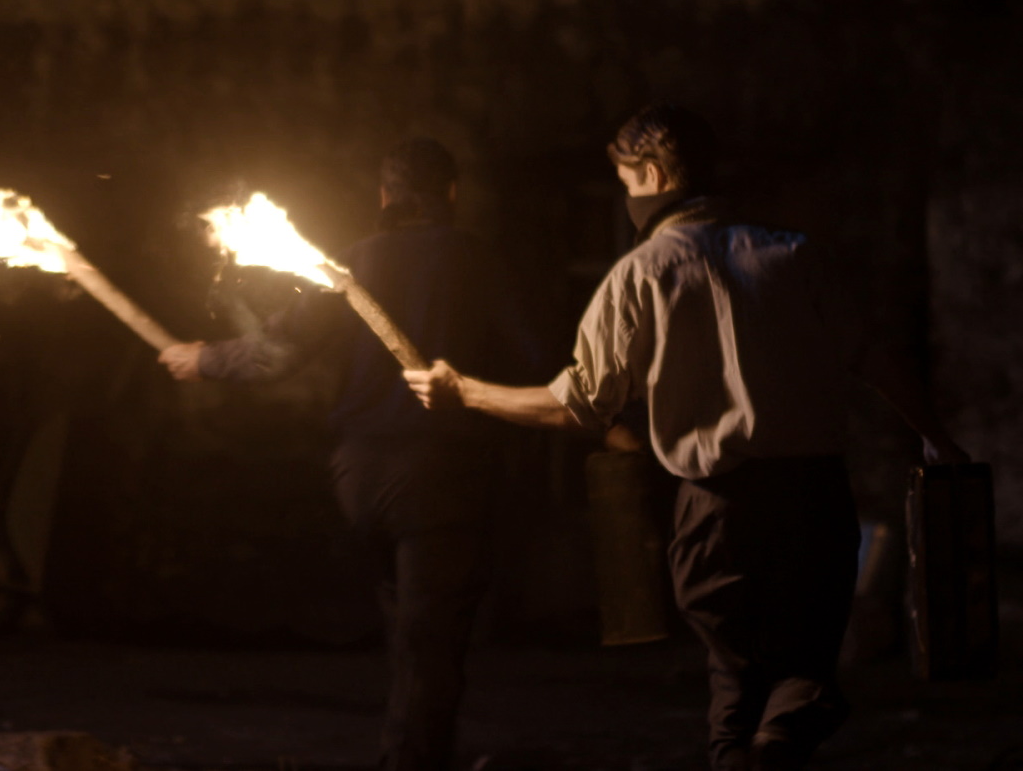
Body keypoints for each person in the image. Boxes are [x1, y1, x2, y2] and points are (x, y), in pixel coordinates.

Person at [404, 105, 968, 771]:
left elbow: (579, 407)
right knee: (798, 673)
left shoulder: (640, 273)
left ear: (648, 173)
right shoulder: (794, 254)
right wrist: (936, 438)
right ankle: (781, 734)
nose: (624, 197)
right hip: (813, 503)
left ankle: (759, 745)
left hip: (715, 513)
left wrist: (463, 390)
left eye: (624, 181)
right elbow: (873, 356)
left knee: (734, 684)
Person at [159, 138, 542, 771]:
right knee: (430, 643)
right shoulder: (480, 260)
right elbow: (536, 357)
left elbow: (277, 352)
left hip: (360, 476)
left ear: (386, 196)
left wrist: (203, 358)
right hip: (441, 474)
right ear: (451, 194)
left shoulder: (350, 261)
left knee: (413, 634)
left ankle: (413, 749)